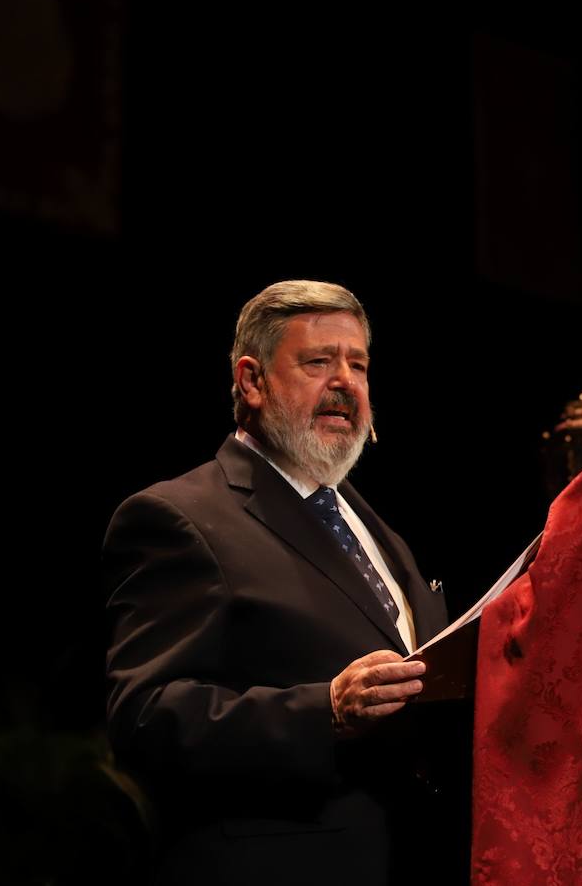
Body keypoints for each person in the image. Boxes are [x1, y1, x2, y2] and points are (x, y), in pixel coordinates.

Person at [103, 281, 461, 885]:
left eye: (359, 364)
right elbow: (144, 717)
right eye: (319, 362)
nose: (345, 382)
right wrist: (324, 712)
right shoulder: (179, 517)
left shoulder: (375, 528)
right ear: (251, 381)